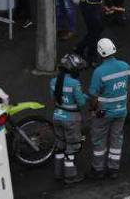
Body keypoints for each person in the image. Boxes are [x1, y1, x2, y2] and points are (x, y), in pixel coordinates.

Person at [88, 38, 130, 179]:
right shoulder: (126, 66)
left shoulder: (99, 72)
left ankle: (98, 169)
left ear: (100, 53)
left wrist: (93, 109)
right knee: (116, 139)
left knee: (99, 140)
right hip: (121, 110)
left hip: (103, 112)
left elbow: (93, 96)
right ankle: (113, 168)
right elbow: (129, 87)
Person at [50, 53, 89, 185]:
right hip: (71, 119)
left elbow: (54, 98)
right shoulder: (75, 83)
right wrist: (86, 96)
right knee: (71, 148)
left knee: (60, 146)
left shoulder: (53, 81)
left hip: (57, 116)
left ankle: (58, 173)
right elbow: (81, 102)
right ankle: (70, 177)